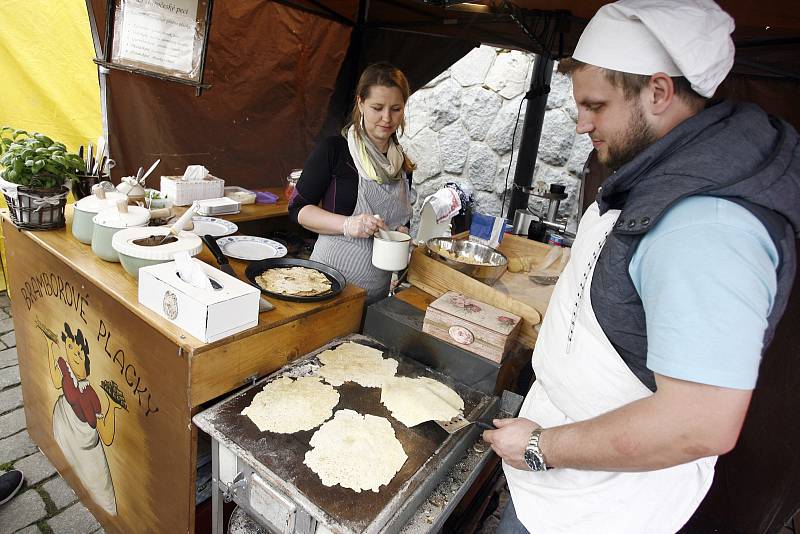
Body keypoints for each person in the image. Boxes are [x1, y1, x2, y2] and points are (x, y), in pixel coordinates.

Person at [483, 1, 800, 533]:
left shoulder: (709, 223)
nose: (582, 124)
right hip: (568, 486)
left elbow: (698, 423)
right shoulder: (663, 173)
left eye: (596, 105)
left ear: (657, 91)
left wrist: (540, 445)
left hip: (602, 510)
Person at [288, 62, 415, 304]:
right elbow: (298, 209)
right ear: (360, 103)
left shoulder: (401, 165)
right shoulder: (335, 151)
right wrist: (348, 224)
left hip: (376, 293)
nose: (387, 118)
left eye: (396, 109)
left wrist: (401, 233)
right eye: (377, 107)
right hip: (326, 286)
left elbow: (402, 219)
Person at [47, 322, 124, 516]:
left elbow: (106, 436)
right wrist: (49, 346)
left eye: (80, 352)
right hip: (65, 427)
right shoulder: (65, 368)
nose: (74, 353)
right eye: (70, 346)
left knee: (99, 488)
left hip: (86, 446)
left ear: (86, 359)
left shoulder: (91, 395)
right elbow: (56, 381)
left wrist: (113, 406)